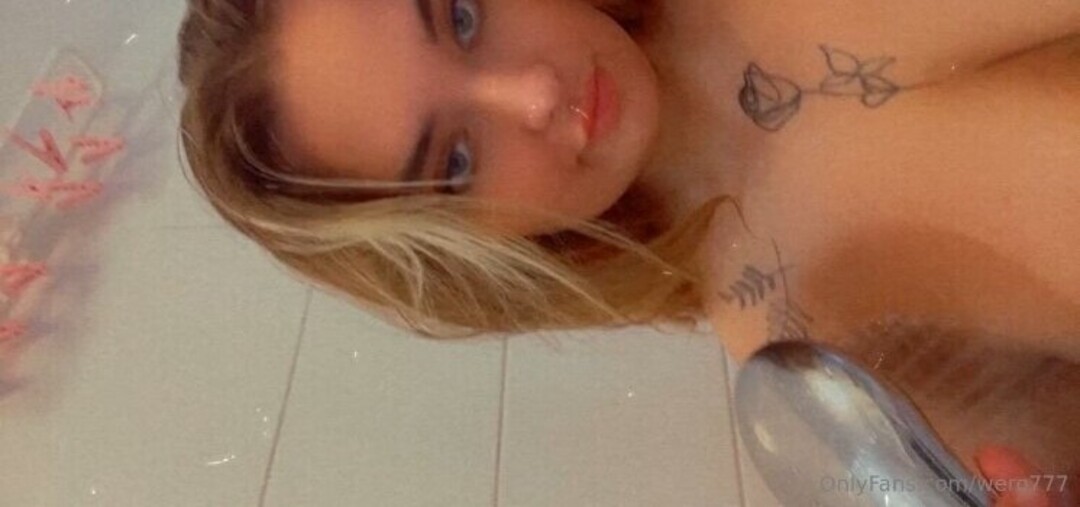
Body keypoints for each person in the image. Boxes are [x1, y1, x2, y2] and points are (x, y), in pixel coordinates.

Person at [176, 0, 1080, 503]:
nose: (533, 92)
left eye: (461, 14)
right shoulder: (817, 354)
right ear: (462, 255)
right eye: (454, 163)